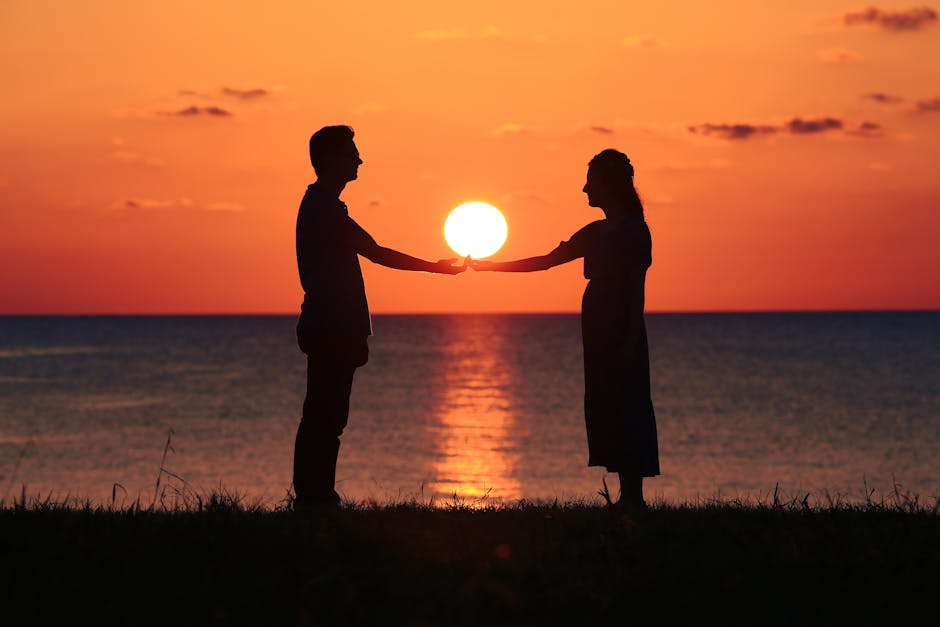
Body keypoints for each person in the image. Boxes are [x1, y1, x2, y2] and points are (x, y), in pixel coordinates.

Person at [472, 149, 659, 510]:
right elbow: (546, 262)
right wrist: (491, 266)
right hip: (598, 321)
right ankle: (626, 495)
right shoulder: (597, 231)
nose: (584, 188)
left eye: (590, 180)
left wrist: (629, 339)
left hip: (621, 322)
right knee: (606, 399)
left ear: (608, 183)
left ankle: (634, 497)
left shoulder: (634, 231)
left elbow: (637, 288)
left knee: (629, 399)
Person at [294, 125, 465, 508]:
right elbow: (376, 252)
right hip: (331, 326)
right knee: (325, 417)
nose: (359, 159)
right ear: (332, 159)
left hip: (331, 325)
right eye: (351, 152)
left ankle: (316, 495)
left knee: (325, 416)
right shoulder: (324, 209)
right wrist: (435, 268)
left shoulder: (324, 206)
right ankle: (314, 498)